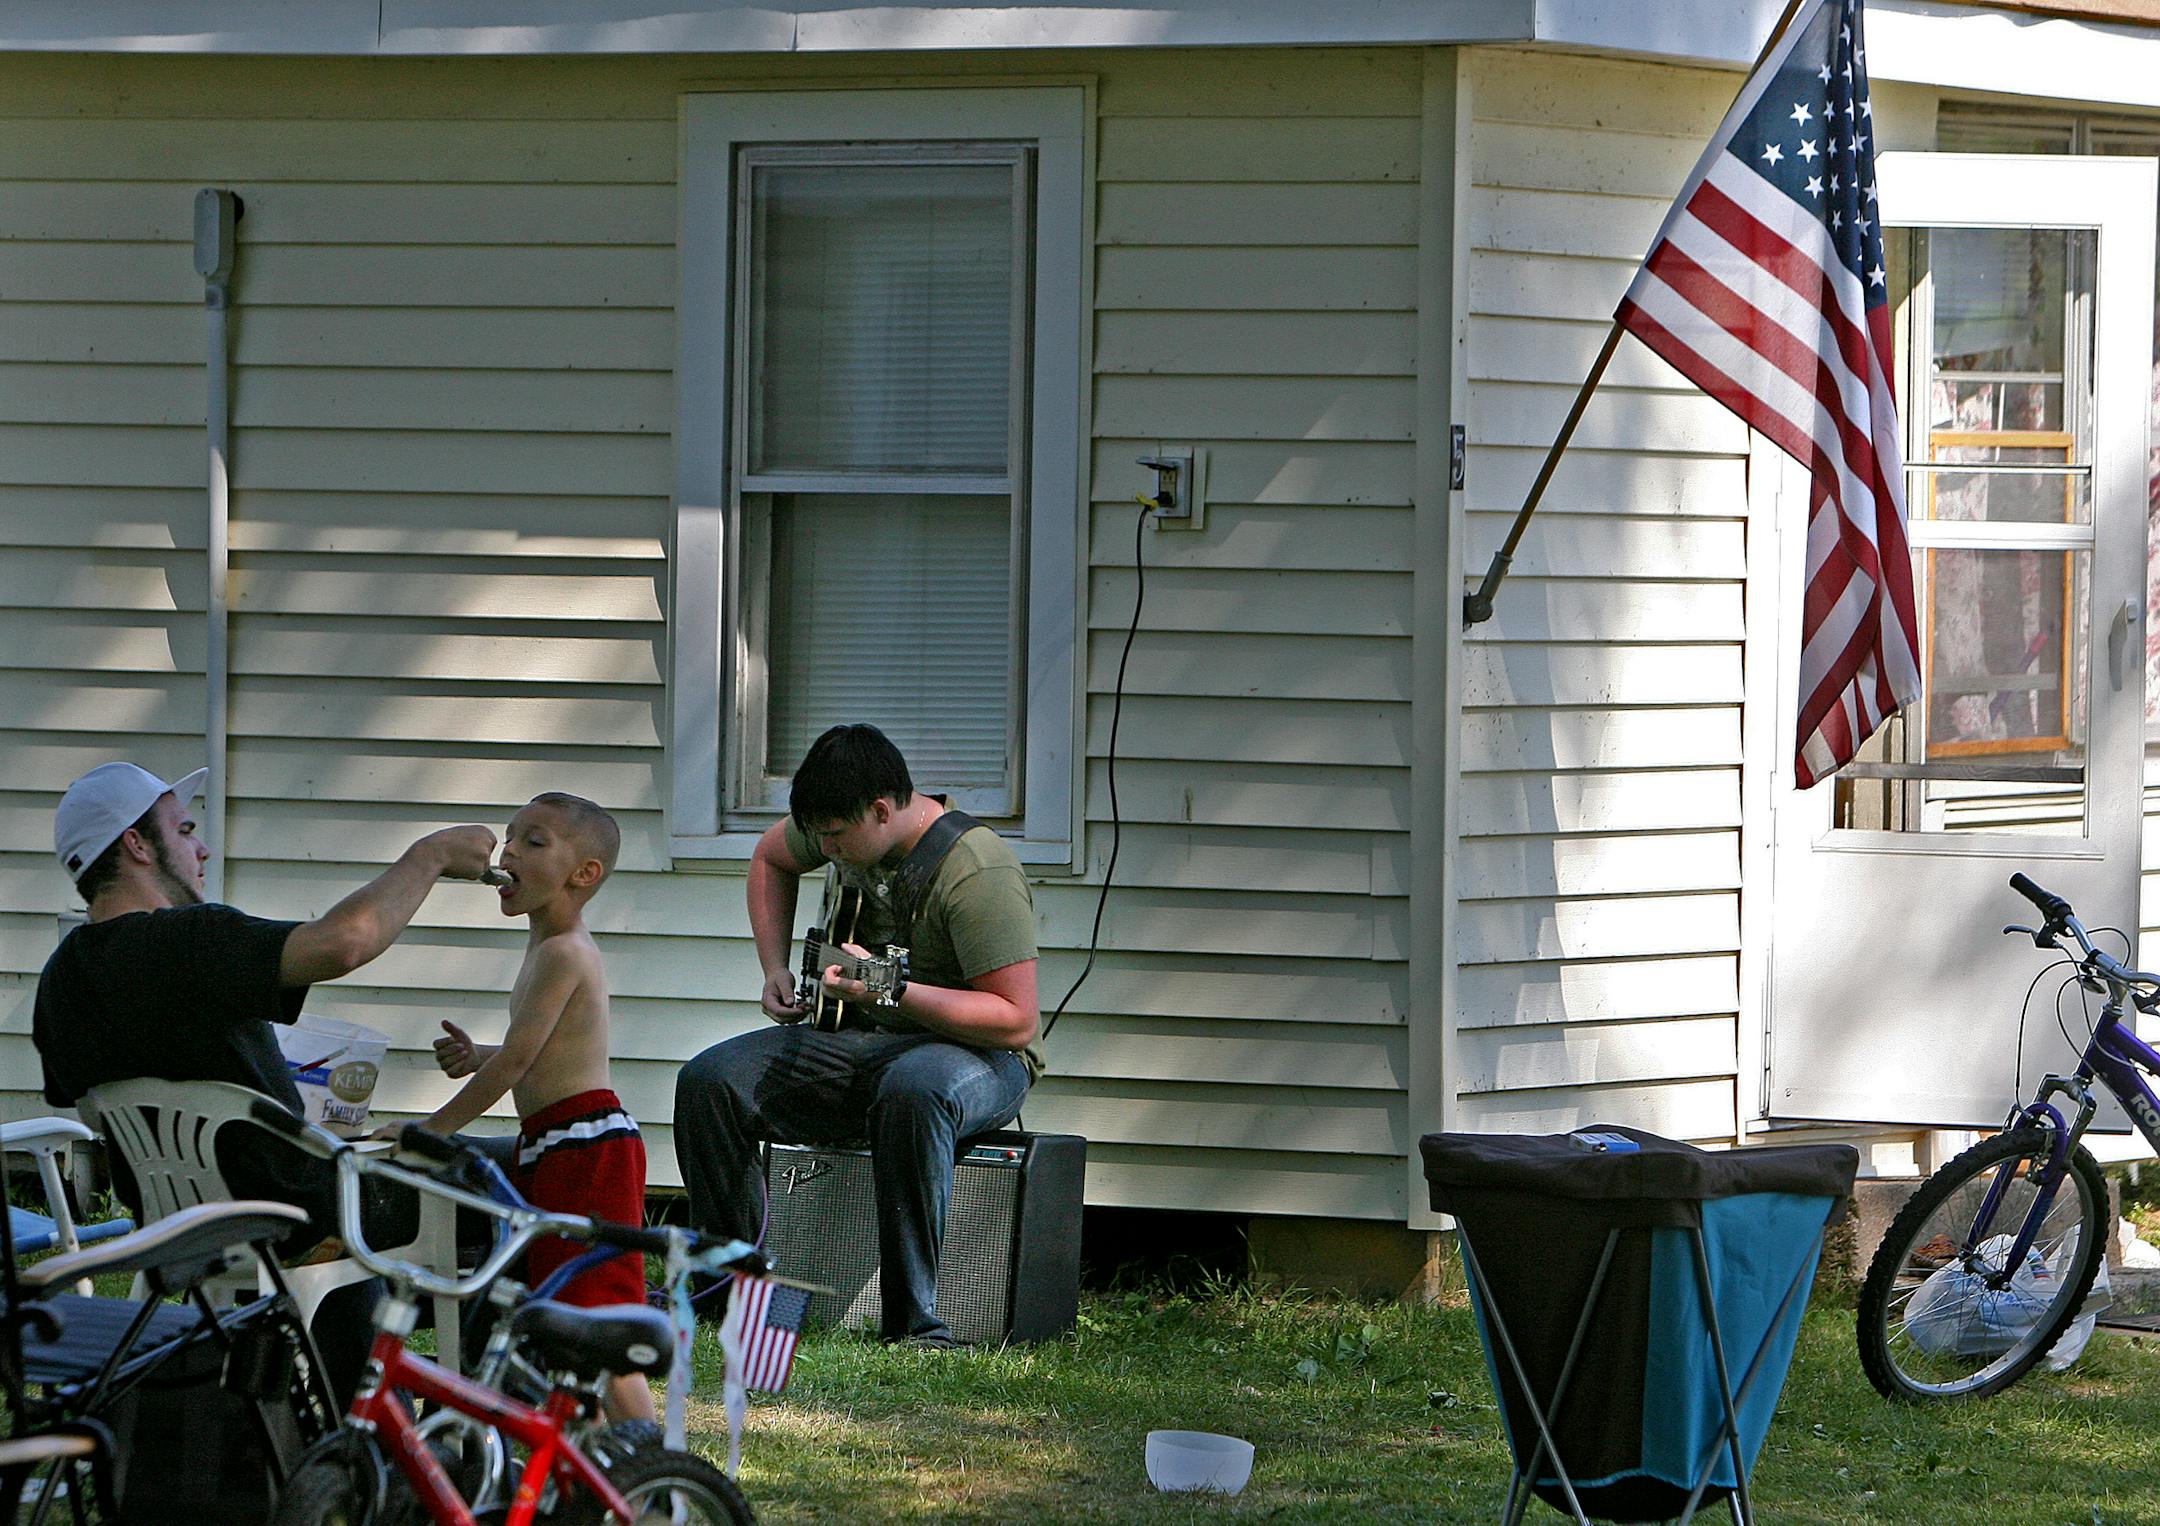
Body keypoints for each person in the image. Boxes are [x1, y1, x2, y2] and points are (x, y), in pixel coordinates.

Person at [32, 759, 497, 1398]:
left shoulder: (62, 979)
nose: (200, 847)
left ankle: (345, 1409)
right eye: (185, 829)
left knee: (371, 1214)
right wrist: (431, 855)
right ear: (137, 846)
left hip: (180, 1227)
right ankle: (492, 1406)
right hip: (295, 1214)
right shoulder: (189, 938)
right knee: (488, 1177)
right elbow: (342, 944)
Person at [674, 724, 1041, 1346]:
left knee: (914, 1087)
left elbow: (1015, 1019)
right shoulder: (844, 827)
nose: (826, 850)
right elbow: (771, 855)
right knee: (709, 1082)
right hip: (860, 1040)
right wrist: (775, 967)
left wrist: (891, 991)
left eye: (837, 838)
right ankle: (734, 1295)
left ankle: (915, 1324)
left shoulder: (977, 870)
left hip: (980, 1059)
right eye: (818, 836)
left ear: (881, 810)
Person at [402, 791, 652, 1422]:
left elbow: (520, 1061)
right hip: (557, 1143)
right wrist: (482, 1053)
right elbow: (537, 1050)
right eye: (510, 837)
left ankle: (654, 1475)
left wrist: (432, 1131)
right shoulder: (547, 946)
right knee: (563, 1315)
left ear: (584, 873)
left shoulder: (565, 950)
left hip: (588, 1147)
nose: (508, 850)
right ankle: (592, 1462)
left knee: (596, 1314)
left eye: (533, 841)